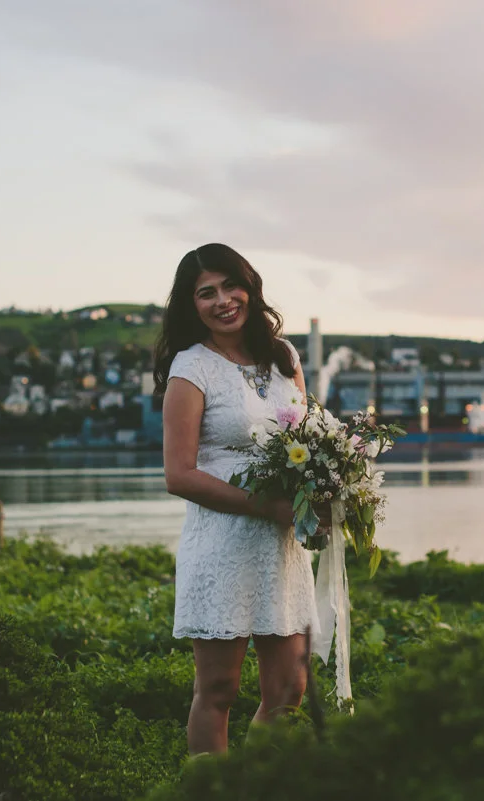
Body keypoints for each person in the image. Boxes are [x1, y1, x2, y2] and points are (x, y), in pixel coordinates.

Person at [154, 242, 323, 756]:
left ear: (251, 288)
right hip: (222, 544)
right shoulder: (191, 370)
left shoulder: (284, 356)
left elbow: (309, 437)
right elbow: (179, 475)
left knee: (289, 690)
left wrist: (326, 488)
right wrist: (263, 505)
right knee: (219, 689)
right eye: (207, 293)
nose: (223, 300)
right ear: (191, 306)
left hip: (281, 546)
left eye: (232, 286)